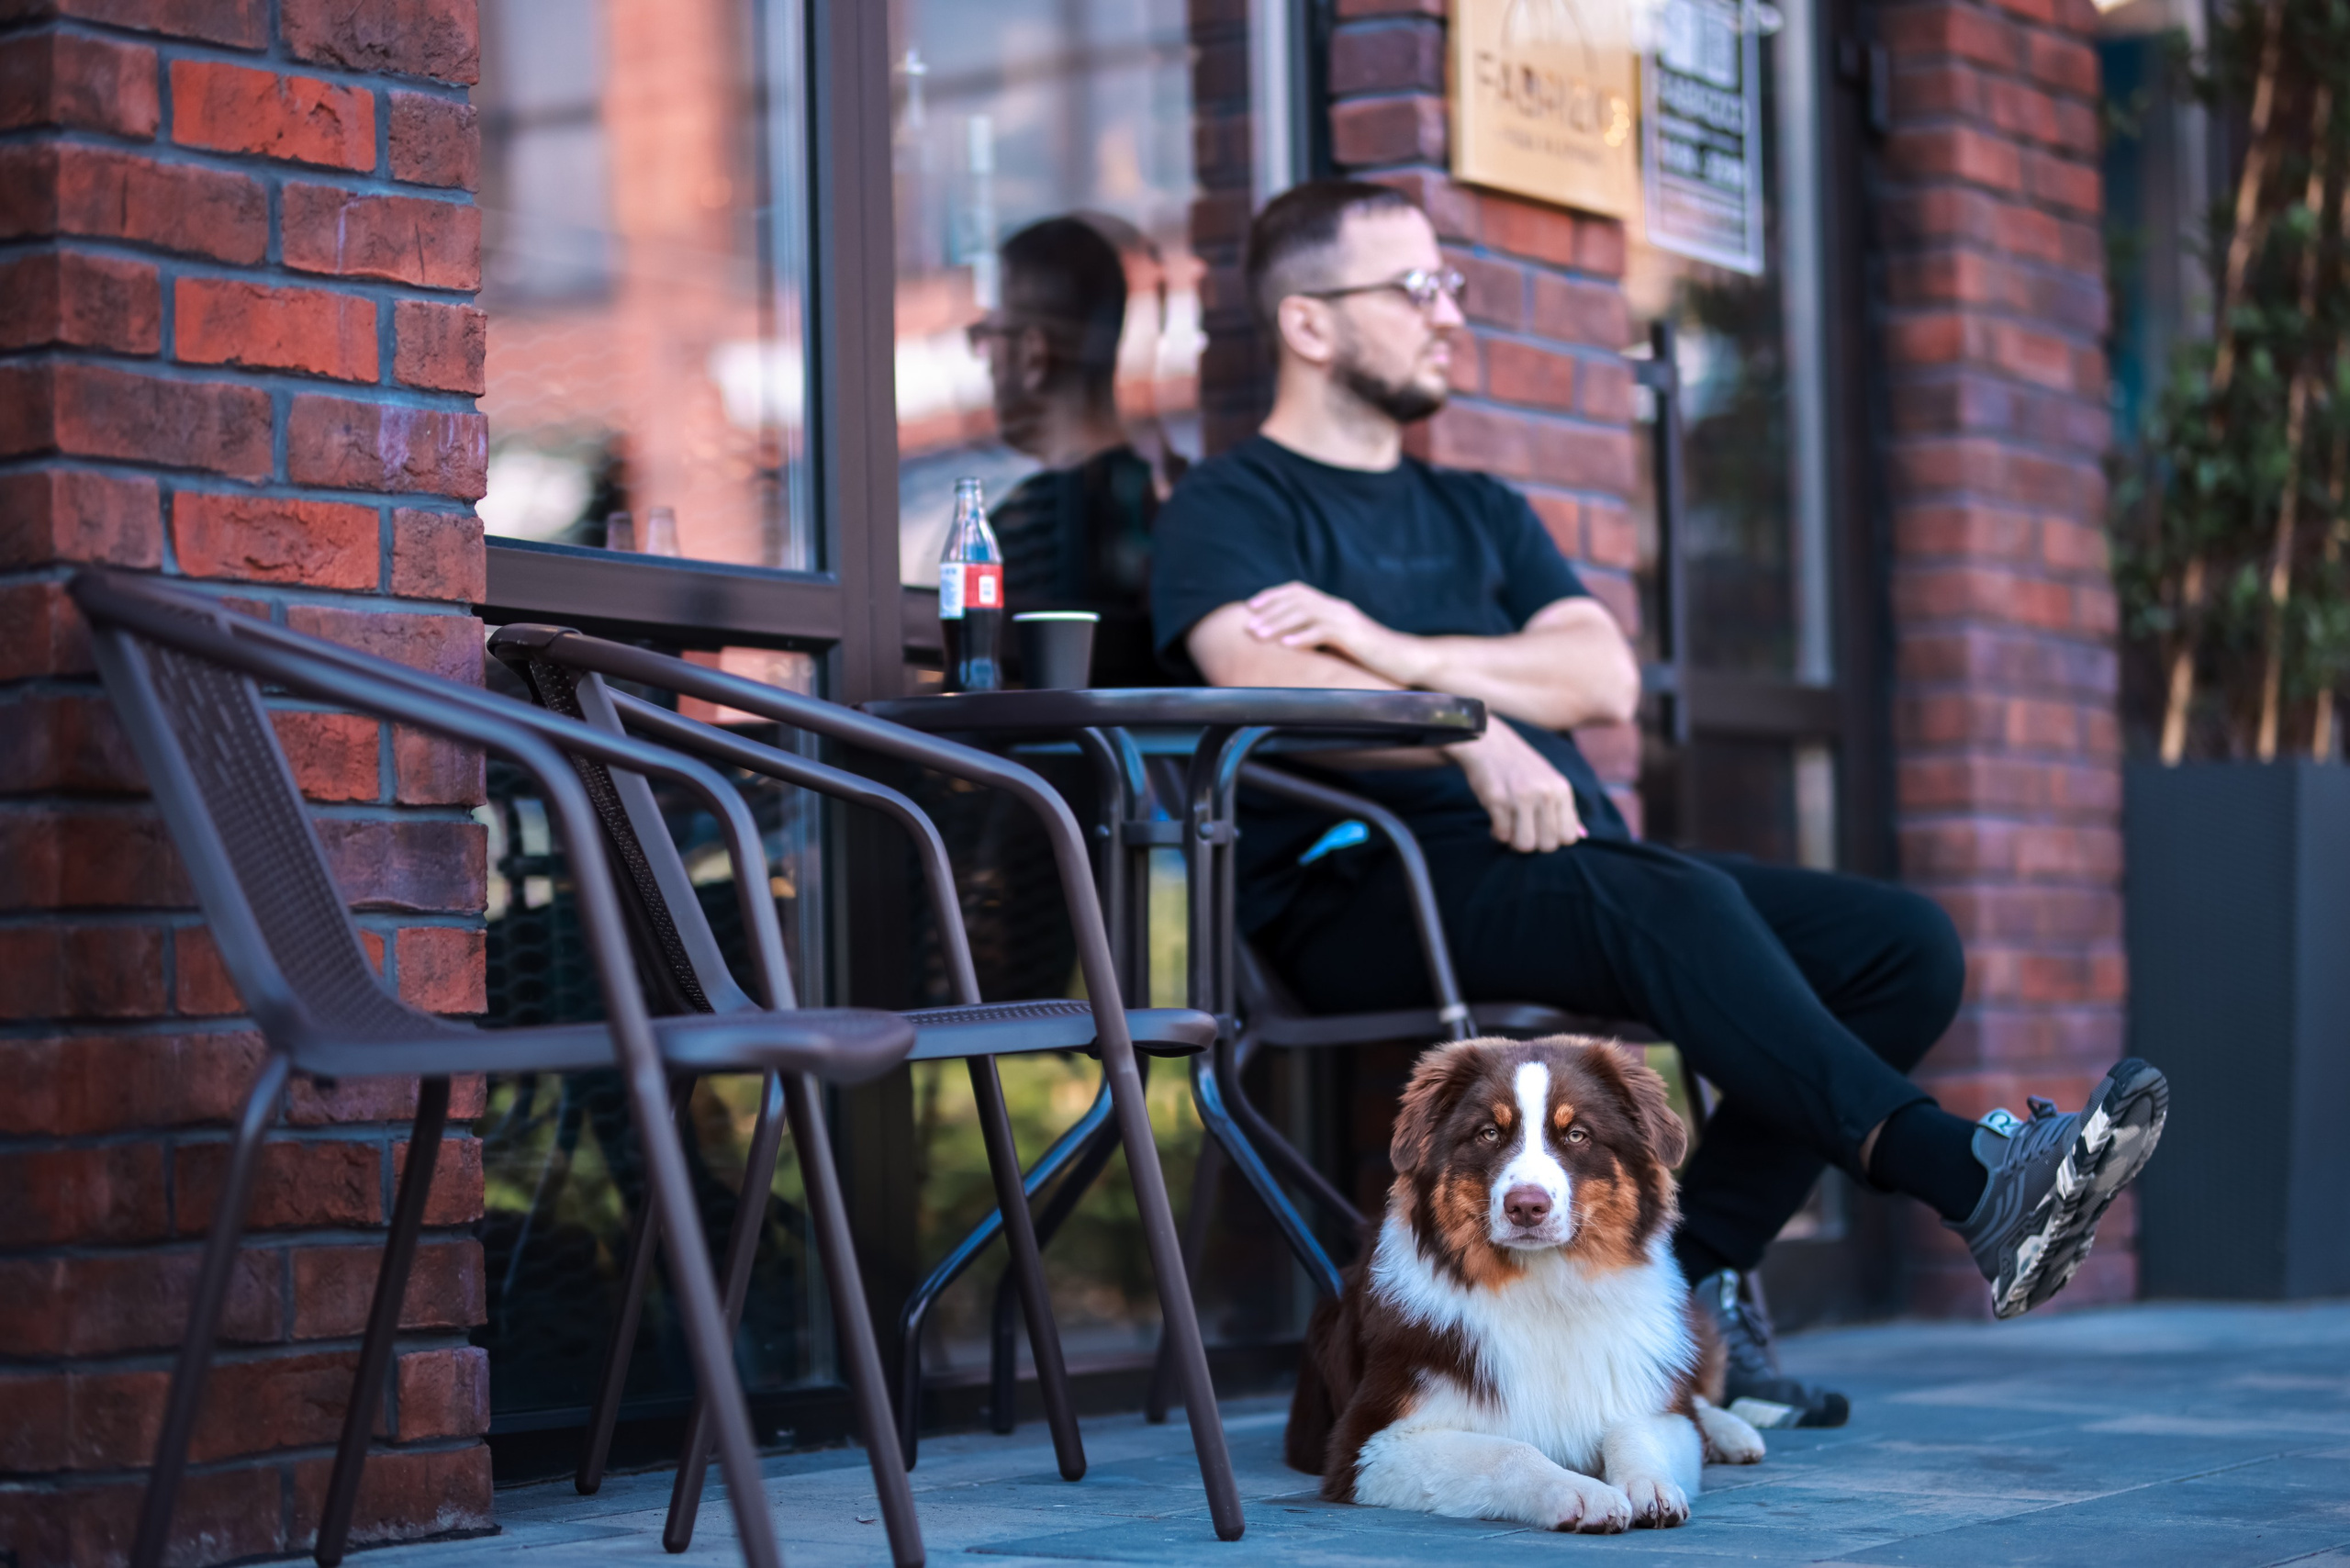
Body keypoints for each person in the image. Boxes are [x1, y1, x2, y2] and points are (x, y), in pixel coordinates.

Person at [1148, 180, 2169, 1425]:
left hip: (1566, 869)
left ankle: (1675, 1293)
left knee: (1900, 947)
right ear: (1309, 324)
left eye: (1451, 285)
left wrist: (1400, 654)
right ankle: (1963, 1174)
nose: (1449, 314)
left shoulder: (1480, 509)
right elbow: (1255, 674)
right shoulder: (1235, 505)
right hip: (1369, 888)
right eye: (1415, 288)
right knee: (1662, 896)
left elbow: (1599, 674)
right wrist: (1471, 736)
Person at [968, 214, 1169, 689]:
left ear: (1032, 354)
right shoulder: (1170, 504)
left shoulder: (1026, 528)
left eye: (986, 336)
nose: (984, 363)